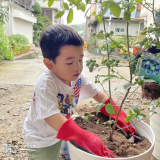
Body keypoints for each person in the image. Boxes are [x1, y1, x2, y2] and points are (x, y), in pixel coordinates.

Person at [22, 24, 135, 160]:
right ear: (50, 64)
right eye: (70, 63)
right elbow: (52, 118)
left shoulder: (77, 77)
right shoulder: (45, 84)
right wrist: (84, 137)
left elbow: (98, 95)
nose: (78, 67)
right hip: (41, 138)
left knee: (69, 142)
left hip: (62, 128)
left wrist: (118, 114)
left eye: (80, 60)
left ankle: (65, 149)